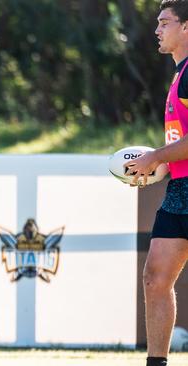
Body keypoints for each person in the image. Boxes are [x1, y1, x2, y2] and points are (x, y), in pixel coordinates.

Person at [126, 1, 188, 365]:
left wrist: (155, 157)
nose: (157, 30)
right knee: (154, 278)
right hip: (179, 191)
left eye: (165, 22)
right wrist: (157, 168)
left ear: (186, 28)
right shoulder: (179, 75)